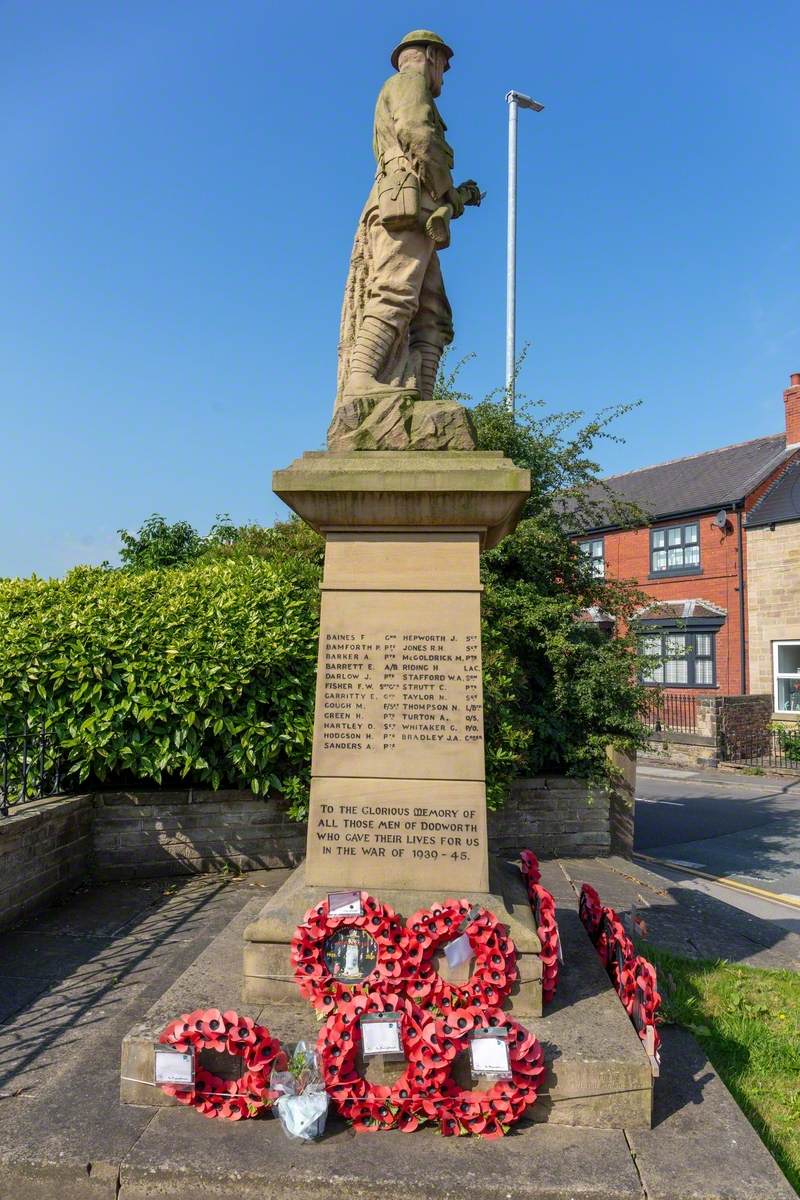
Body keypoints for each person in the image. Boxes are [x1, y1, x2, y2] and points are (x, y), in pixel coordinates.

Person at [336, 30, 481, 408]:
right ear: (432, 56)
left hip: (418, 210)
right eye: (444, 68)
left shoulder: (403, 85)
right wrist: (449, 192)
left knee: (433, 313)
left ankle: (423, 399)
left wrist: (450, 198)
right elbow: (418, 132)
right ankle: (361, 380)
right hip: (407, 209)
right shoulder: (408, 82)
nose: (443, 78)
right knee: (396, 291)